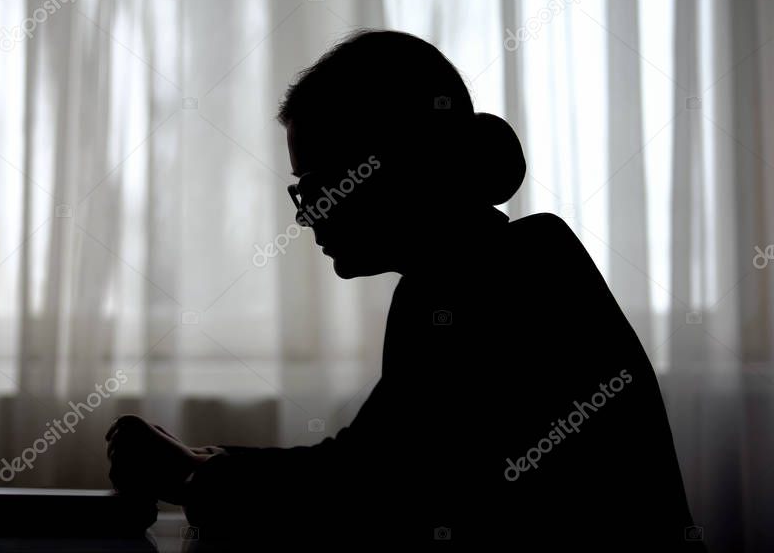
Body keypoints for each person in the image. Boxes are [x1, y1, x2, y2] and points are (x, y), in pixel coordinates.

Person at [106, 30, 701, 549]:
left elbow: (372, 493)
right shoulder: (485, 265)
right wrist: (211, 464)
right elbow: (375, 462)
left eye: (315, 184)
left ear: (394, 165)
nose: (306, 215)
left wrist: (194, 477)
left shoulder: (503, 278)